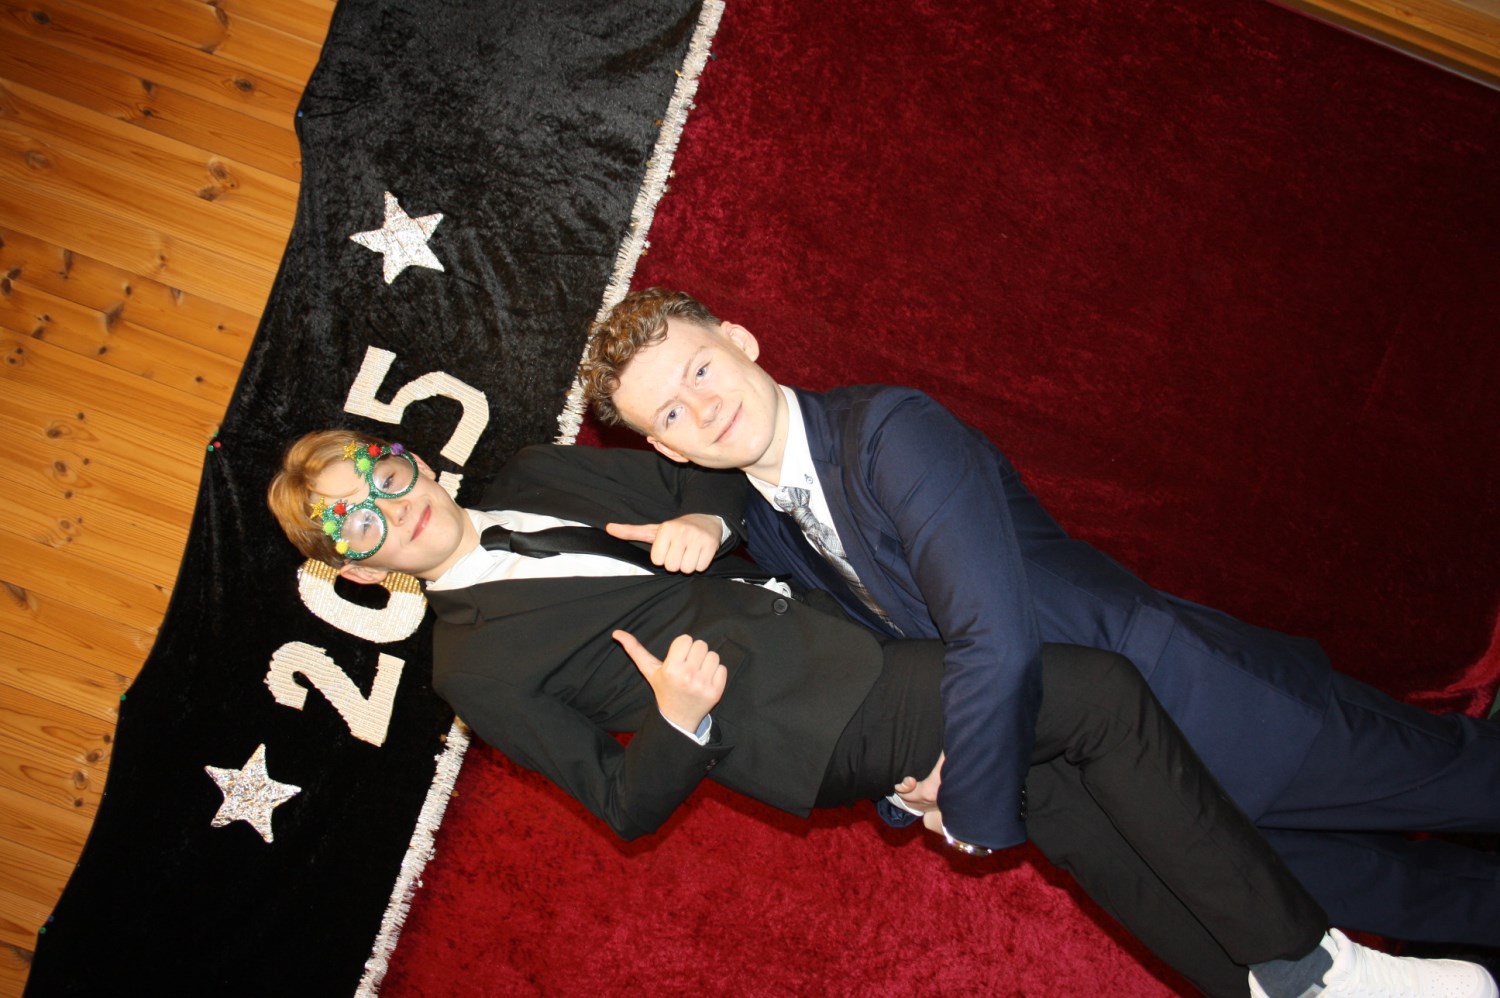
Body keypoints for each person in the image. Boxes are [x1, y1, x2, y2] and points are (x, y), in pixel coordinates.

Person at [267, 431, 1495, 998]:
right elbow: (619, 798)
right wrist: (681, 719)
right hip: (811, 718)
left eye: (381, 472)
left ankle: (1261, 985)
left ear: (408, 456)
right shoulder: (470, 667)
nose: (389, 504)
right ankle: (1316, 968)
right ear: (358, 567)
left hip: (861, 646)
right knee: (1097, 697)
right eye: (354, 518)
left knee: (1077, 807)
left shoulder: (537, 473)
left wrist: (699, 516)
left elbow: (705, 478)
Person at [583, 286, 1500, 952]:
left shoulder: (890, 431)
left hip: (1214, 703)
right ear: (665, 445)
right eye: (673, 410)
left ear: (740, 338)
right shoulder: (772, 530)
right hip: (1139, 789)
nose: (706, 406)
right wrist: (909, 786)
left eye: (701, 367)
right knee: (1411, 901)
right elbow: (877, 681)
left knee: (1466, 782)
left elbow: (994, 638)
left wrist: (972, 809)